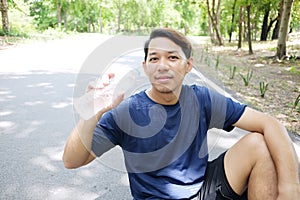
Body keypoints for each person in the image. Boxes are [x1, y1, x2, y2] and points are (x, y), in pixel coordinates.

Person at [63, 28, 300, 199]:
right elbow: (72, 161)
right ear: (146, 67)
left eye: (173, 57)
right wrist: (90, 115)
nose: (163, 65)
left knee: (260, 142)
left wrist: (289, 188)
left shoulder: (201, 98)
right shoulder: (127, 112)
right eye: (154, 58)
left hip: (202, 190)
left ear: (188, 66)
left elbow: (270, 123)